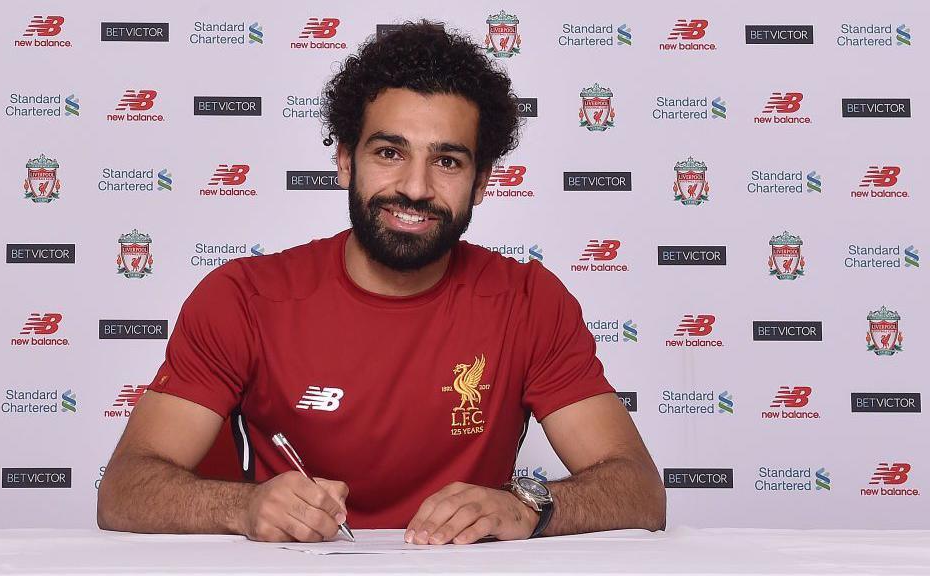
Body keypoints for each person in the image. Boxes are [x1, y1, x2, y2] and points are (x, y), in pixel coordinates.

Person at [97, 22, 665, 545]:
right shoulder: (245, 296)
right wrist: (242, 507)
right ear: (346, 161)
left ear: (483, 181)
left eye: (447, 161)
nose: (415, 188)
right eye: (389, 153)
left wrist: (527, 507)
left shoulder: (529, 301)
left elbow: (640, 490)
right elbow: (123, 489)